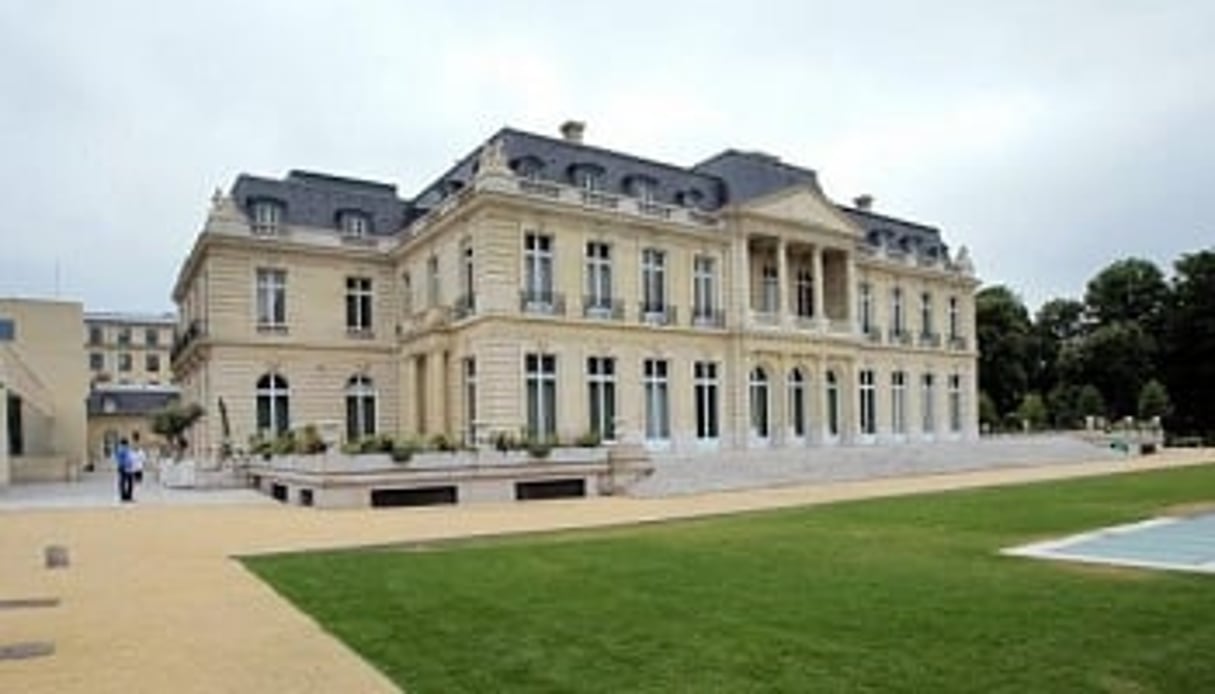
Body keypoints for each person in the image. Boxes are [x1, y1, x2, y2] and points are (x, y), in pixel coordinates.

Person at [115, 438, 135, 503]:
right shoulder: (124, 449)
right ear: (126, 444)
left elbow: (118, 459)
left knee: (123, 482)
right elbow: (127, 459)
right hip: (126, 467)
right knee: (129, 482)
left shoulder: (120, 449)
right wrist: (129, 465)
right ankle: (128, 496)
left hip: (122, 467)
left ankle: (124, 496)